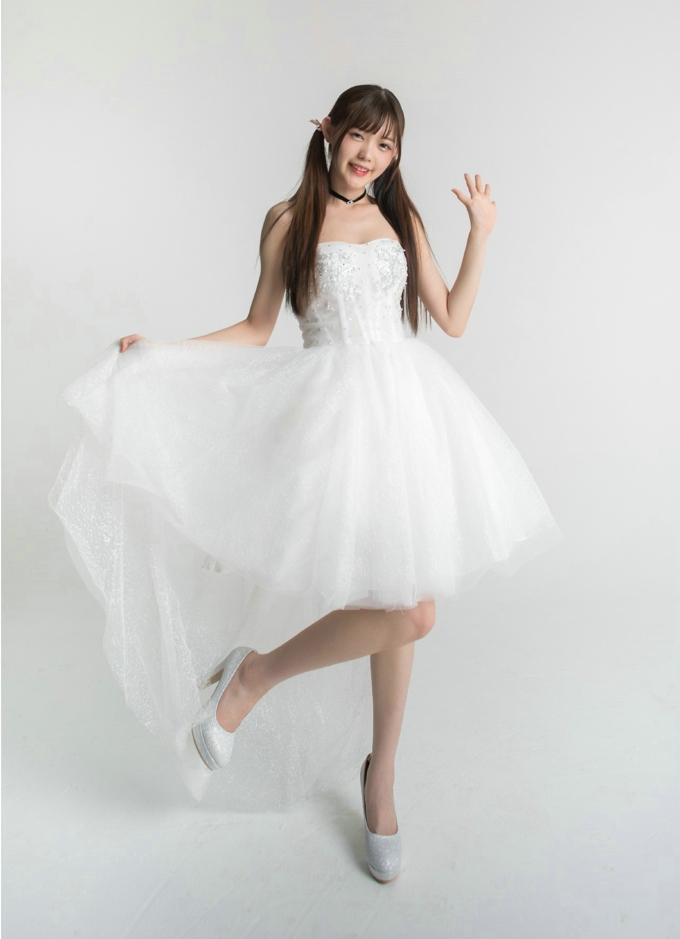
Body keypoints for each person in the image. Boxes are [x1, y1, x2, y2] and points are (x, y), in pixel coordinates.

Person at [49, 84, 563, 883]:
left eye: (386, 145)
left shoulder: (401, 216)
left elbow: (452, 318)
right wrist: (162, 353)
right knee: (406, 610)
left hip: (409, 417)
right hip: (333, 423)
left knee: (407, 601)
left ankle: (379, 776)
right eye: (359, 136)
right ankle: (251, 676)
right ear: (329, 131)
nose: (370, 155)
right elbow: (257, 328)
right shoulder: (288, 220)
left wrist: (481, 235)